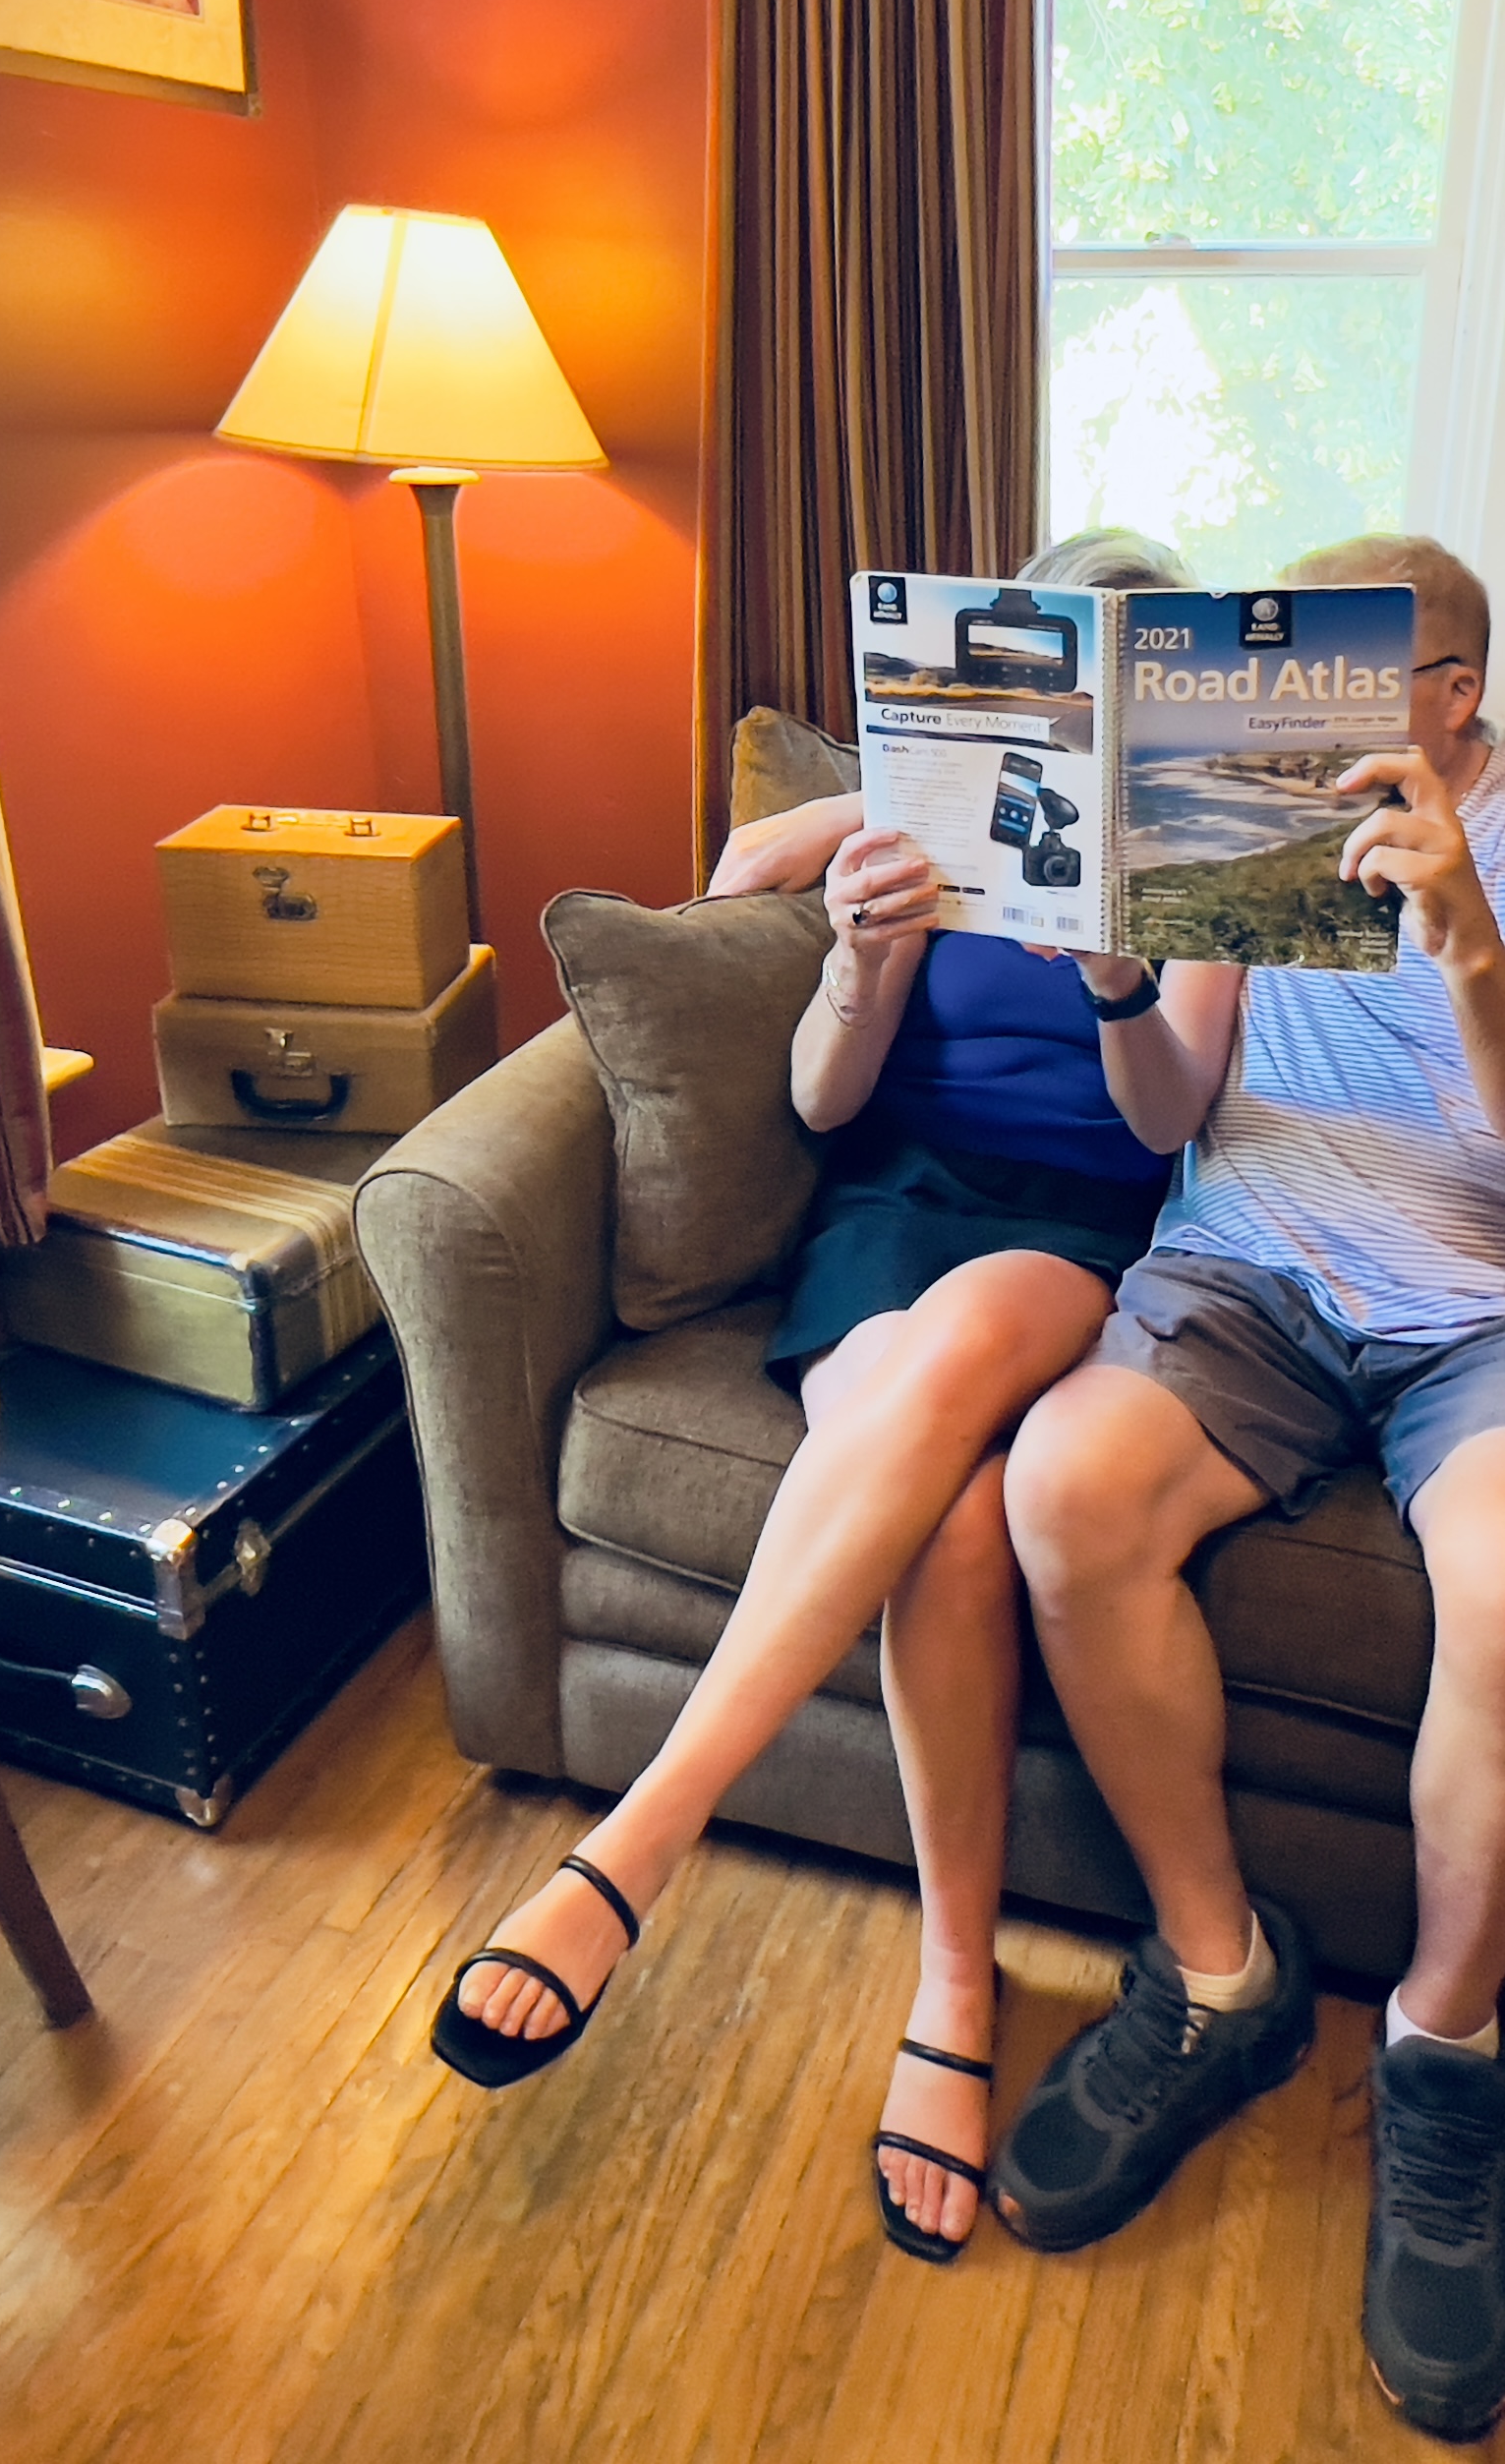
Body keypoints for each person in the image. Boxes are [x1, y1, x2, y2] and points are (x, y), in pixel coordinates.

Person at [430, 531, 1238, 2269]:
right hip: (892, 1206)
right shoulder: (912, 813)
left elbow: (1172, 1123)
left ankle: (641, 1836)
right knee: (945, 1531)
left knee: (959, 1361)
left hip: (1085, 1226)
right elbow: (813, 1092)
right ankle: (955, 1987)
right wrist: (862, 947)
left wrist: (1110, 964)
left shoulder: (1204, 844)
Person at [983, 533, 1505, 2444]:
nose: (1292, 719)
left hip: (1490, 1305)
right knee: (1062, 1487)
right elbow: (1167, 1116)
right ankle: (1218, 1973)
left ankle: (1443, 2053)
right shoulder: (1240, 794)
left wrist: (1458, 929)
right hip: (1252, 1268)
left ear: (1447, 687)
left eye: (1342, 678)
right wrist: (1126, 973)